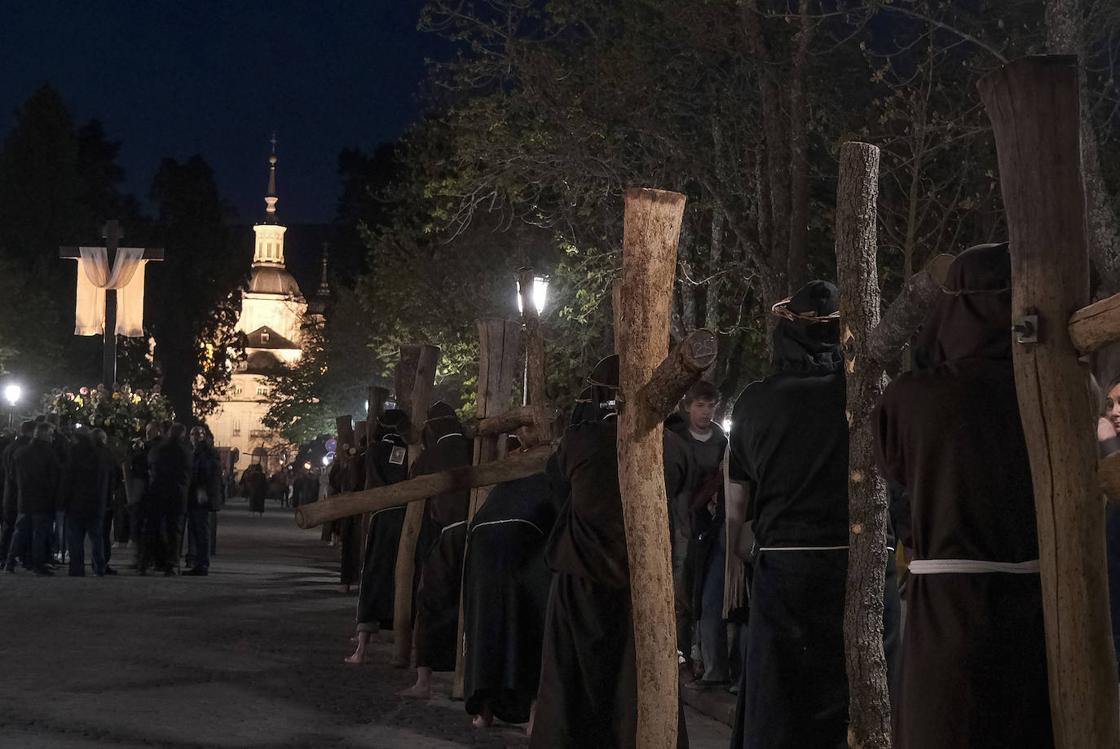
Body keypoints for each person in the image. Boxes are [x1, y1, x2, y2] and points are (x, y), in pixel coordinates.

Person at [874, 243, 1053, 748]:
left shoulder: (912, 397)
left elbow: (895, 467)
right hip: (1034, 610)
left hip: (945, 613)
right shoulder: (1054, 389)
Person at [727, 280, 900, 749]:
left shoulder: (755, 402)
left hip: (788, 575)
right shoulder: (875, 395)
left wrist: (738, 558)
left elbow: (739, 497)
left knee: (784, 707)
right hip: (865, 566)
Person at [531, 355, 689, 749]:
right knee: (633, 690)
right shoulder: (674, 448)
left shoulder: (581, 442)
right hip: (643, 585)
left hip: (581, 580)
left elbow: (557, 489)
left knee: (572, 696)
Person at [462, 439, 559, 728]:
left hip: (485, 552)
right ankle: (533, 713)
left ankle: (485, 711)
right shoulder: (549, 477)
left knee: (486, 629)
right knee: (531, 629)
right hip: (520, 551)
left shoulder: (509, 482)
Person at [398, 402, 472, 699]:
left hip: (451, 533)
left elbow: (414, 476)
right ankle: (466, 678)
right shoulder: (472, 445)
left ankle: (424, 680)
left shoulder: (434, 453)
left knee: (430, 600)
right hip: (477, 530)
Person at [667, 381, 728, 684]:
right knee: (681, 591)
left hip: (709, 525)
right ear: (688, 406)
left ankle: (700, 655)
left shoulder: (720, 440)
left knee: (703, 593)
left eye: (710, 406)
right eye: (700, 406)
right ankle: (680, 655)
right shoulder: (676, 438)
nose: (706, 412)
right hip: (680, 523)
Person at [346, 409, 411, 664]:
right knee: (407, 574)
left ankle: (361, 648)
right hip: (407, 517)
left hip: (382, 516)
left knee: (373, 574)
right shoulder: (410, 449)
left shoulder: (373, 451)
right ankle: (404, 643)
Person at [5, 422, 61, 575]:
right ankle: (38, 564)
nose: (52, 438)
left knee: (20, 532)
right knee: (39, 533)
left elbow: (12, 475)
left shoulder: (21, 452)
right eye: (51, 434)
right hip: (42, 499)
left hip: (24, 498)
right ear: (44, 435)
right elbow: (54, 477)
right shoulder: (49, 453)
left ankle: (10, 562)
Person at [59, 429, 115, 576]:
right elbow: (108, 479)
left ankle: (76, 567)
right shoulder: (101, 454)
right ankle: (99, 567)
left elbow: (67, 480)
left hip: (75, 502)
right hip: (96, 502)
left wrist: (63, 500)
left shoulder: (73, 454)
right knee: (97, 537)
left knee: (75, 537)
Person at [144, 423, 192, 576]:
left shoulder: (159, 449)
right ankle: (171, 563)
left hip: (158, 492)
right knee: (174, 530)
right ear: (183, 434)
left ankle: (154, 561)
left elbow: (151, 464)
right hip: (177, 493)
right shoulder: (185, 450)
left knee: (156, 527)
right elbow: (189, 471)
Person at [185, 425, 221, 576]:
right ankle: (198, 562)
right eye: (193, 434)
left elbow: (205, 472)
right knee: (196, 530)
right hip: (196, 495)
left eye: (198, 434)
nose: (195, 437)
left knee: (201, 530)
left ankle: (202, 564)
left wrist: (202, 488)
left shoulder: (205, 453)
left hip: (200, 496)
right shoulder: (198, 452)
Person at [0, 420, 35, 564]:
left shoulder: (11, 447)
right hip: (20, 493)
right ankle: (16, 557)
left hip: (9, 492)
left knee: (9, 526)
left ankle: (5, 556)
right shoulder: (25, 449)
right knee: (21, 527)